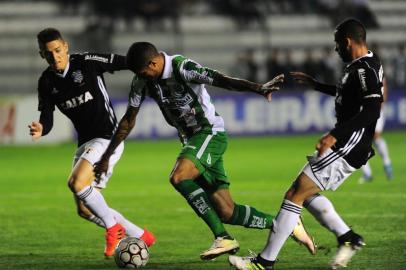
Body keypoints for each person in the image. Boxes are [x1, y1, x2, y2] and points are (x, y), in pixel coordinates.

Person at [94, 41, 316, 260]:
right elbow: (128, 120)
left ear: (153, 63)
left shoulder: (182, 67)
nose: (141, 76)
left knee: (179, 176)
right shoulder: (141, 81)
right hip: (191, 141)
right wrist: (106, 156)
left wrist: (257, 88)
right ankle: (287, 223)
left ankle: (223, 237)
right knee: (227, 211)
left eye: (143, 72)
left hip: (209, 133)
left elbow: (221, 79)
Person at [229, 18, 383, 269]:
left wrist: (335, 135)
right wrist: (317, 86)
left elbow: (372, 110)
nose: (335, 49)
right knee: (306, 195)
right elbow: (349, 94)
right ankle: (348, 237)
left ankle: (264, 262)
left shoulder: (364, 69)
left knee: (294, 194)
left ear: (347, 42)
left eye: (337, 44)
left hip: (348, 145)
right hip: (347, 142)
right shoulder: (362, 64)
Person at [28, 28, 155, 258]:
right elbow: (47, 119)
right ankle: (141, 235)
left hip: (108, 137)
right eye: (49, 54)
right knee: (85, 210)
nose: (55, 57)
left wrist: (150, 66)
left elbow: (125, 62)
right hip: (86, 143)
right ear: (42, 55)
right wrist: (41, 128)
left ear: (66, 47)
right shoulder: (46, 82)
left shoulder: (87, 62)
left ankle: (112, 227)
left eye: (58, 50)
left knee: (76, 183)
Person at [359, 77, 393, 183]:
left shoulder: (377, 72)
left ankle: (387, 163)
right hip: (362, 111)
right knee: (358, 142)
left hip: (375, 110)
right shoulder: (357, 72)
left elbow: (384, 90)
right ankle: (367, 173)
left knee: (376, 137)